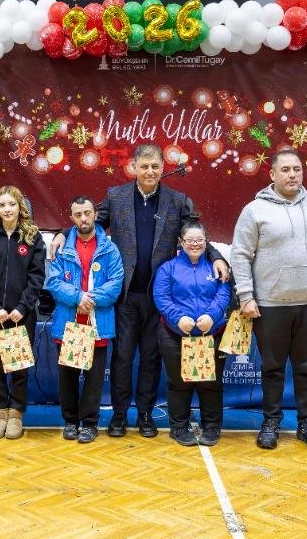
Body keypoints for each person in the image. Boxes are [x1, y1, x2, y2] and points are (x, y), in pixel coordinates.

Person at [47, 143, 222, 438]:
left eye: (155, 166)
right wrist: (63, 234)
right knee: (123, 358)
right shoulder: (116, 197)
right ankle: (118, 416)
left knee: (151, 360)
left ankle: (145, 416)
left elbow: (196, 236)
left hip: (159, 297)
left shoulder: (177, 201)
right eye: (144, 166)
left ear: (163, 168)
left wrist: (215, 257)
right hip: (126, 298)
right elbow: (88, 223)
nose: (149, 171)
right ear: (133, 168)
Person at [230, 149, 307, 452]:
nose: (292, 175)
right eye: (285, 170)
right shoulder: (254, 210)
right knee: (272, 368)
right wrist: (246, 296)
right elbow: (240, 255)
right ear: (272, 174)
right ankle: (271, 422)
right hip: (270, 303)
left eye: (296, 169)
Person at [47, 196, 124, 442]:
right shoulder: (61, 247)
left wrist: (90, 299)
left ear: (95, 215)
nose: (83, 218)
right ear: (71, 218)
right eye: (78, 214)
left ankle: (90, 423)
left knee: (93, 378)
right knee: (68, 377)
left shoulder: (110, 248)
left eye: (87, 213)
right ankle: (70, 421)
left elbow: (116, 283)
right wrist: (77, 297)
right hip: (69, 322)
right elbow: (53, 281)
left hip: (97, 322)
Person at [0, 185, 45, 440]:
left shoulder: (33, 237)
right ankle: (0, 413)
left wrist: (22, 307)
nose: (7, 209)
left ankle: (15, 414)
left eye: (11, 204)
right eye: (2, 205)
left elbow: (37, 277)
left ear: (20, 207)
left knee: (19, 367)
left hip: (21, 315)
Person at [152, 220, 233, 446]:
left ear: (206, 242)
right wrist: (178, 318)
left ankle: (212, 428)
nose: (195, 244)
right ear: (181, 242)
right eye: (190, 240)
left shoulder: (217, 267)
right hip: (175, 335)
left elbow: (224, 293)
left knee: (211, 383)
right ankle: (179, 428)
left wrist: (212, 315)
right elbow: (161, 297)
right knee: (179, 383)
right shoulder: (168, 268)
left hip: (211, 334)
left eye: (199, 240)